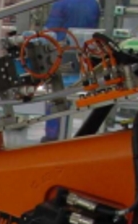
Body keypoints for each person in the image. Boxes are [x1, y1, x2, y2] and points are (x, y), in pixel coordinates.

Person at [42, 0, 101, 141]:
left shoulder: (61, 4)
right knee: (72, 95)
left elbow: (50, 32)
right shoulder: (94, 4)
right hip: (84, 57)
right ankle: (67, 134)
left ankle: (52, 136)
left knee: (56, 96)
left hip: (61, 54)